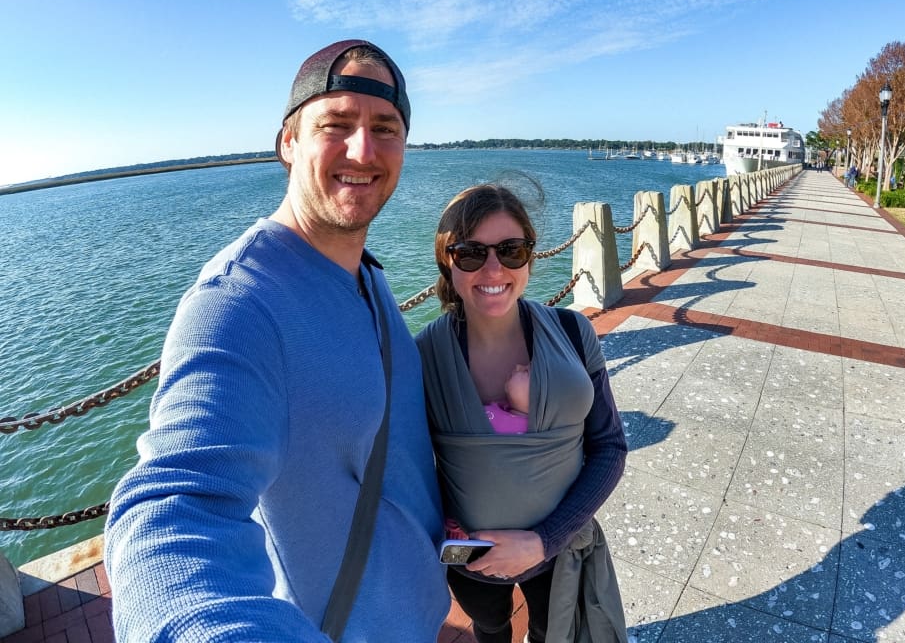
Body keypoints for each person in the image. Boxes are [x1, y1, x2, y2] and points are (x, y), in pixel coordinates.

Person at [104, 40, 451, 641]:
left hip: (420, 614)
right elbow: (171, 513)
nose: (363, 150)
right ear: (288, 143)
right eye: (335, 125)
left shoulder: (366, 275)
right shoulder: (238, 303)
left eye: (385, 128)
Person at [416, 183, 629, 643]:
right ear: (446, 262)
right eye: (470, 253)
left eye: (511, 250)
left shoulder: (573, 332)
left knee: (549, 629)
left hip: (561, 548)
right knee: (491, 627)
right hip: (471, 565)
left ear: (530, 258)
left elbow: (610, 447)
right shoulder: (422, 357)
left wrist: (544, 539)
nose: (494, 268)